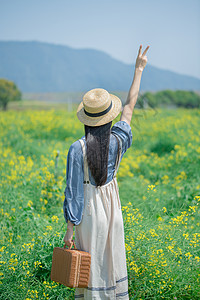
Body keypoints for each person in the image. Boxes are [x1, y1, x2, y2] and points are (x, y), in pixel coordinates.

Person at [63, 44, 150, 300]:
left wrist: (69, 230)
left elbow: (74, 193)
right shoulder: (118, 142)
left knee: (90, 268)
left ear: (87, 119)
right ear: (108, 117)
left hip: (89, 212)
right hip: (113, 208)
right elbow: (130, 107)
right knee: (110, 262)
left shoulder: (76, 149)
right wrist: (139, 69)